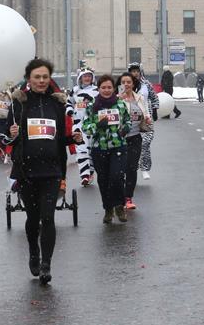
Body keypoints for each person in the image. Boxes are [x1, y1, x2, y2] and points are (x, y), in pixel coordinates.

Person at [7, 58, 70, 285]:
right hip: (27, 171)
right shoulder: (19, 103)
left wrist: (73, 142)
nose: (42, 81)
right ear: (29, 79)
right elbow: (7, 136)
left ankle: (46, 264)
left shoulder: (57, 104)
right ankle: (34, 250)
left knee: (48, 217)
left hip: (51, 171)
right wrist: (12, 134)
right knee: (33, 219)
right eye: (37, 77)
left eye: (45, 77)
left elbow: (61, 138)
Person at [80, 75, 131, 224]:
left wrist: (125, 129)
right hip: (99, 148)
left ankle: (119, 206)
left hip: (118, 146)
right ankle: (108, 209)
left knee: (117, 176)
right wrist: (97, 126)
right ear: (99, 89)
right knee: (104, 180)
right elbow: (86, 127)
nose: (107, 90)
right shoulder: (92, 107)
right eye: (103, 87)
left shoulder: (120, 104)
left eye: (109, 87)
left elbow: (127, 120)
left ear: (114, 88)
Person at [118, 73, 151, 210]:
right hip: (120, 138)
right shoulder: (116, 99)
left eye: (129, 82)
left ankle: (128, 197)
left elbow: (146, 112)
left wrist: (147, 118)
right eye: (123, 82)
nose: (126, 84)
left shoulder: (140, 98)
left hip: (135, 137)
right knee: (120, 169)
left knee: (132, 168)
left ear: (133, 84)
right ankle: (119, 196)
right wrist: (119, 100)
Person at [67, 69, 97, 187]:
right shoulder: (75, 90)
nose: (87, 78)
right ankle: (84, 175)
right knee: (81, 149)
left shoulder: (97, 90)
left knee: (92, 151)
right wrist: (70, 111)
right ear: (80, 78)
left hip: (92, 124)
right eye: (85, 76)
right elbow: (69, 102)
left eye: (89, 76)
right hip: (78, 124)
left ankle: (90, 172)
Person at [128, 63, 156, 180]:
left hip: (145, 118)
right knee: (131, 146)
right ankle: (132, 168)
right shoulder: (125, 85)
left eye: (137, 71)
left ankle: (144, 168)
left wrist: (154, 110)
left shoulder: (146, 84)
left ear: (140, 72)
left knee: (145, 143)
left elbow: (154, 97)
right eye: (132, 71)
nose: (135, 73)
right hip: (130, 119)